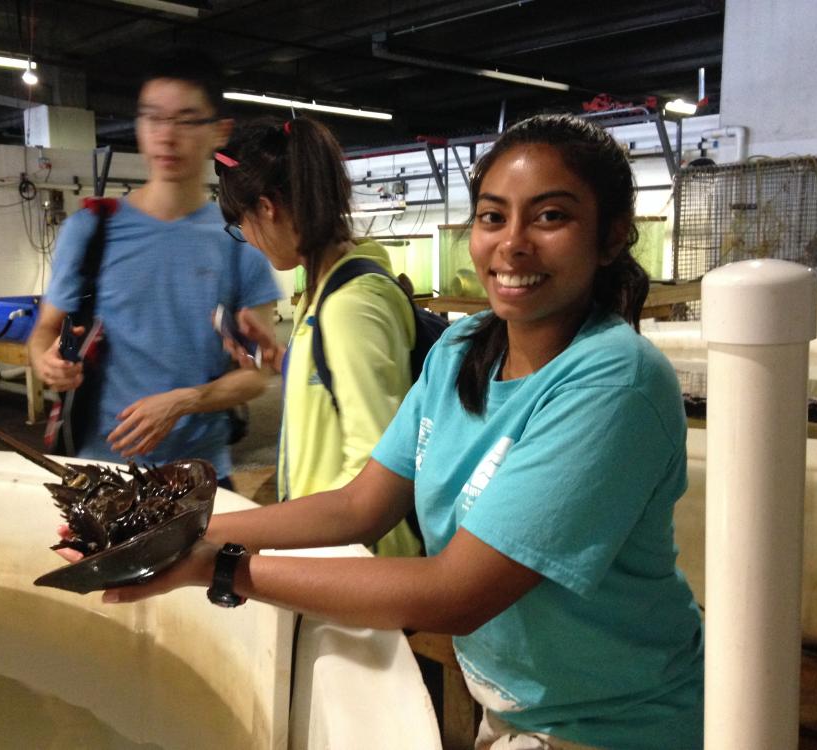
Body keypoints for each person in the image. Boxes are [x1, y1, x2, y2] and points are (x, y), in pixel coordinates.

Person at [63, 114, 705, 749]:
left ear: (613, 234)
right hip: (515, 704)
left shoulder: (613, 382)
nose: (511, 244)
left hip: (618, 722)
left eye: (550, 216)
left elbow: (458, 592)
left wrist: (216, 567)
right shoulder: (462, 348)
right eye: (491, 216)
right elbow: (359, 503)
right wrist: (174, 528)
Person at [28, 52, 282, 488]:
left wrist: (184, 402)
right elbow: (44, 331)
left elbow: (258, 373)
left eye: (185, 120)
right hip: (101, 470)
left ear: (218, 133)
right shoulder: (90, 231)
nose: (166, 136)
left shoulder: (241, 243)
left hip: (200, 474)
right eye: (153, 118)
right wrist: (46, 362)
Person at [212, 115, 422, 557]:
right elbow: (340, 390)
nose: (247, 239)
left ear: (267, 208)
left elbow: (373, 486)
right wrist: (282, 358)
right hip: (329, 548)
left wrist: (222, 532)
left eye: (241, 224)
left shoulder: (351, 305)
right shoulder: (324, 293)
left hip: (355, 565)